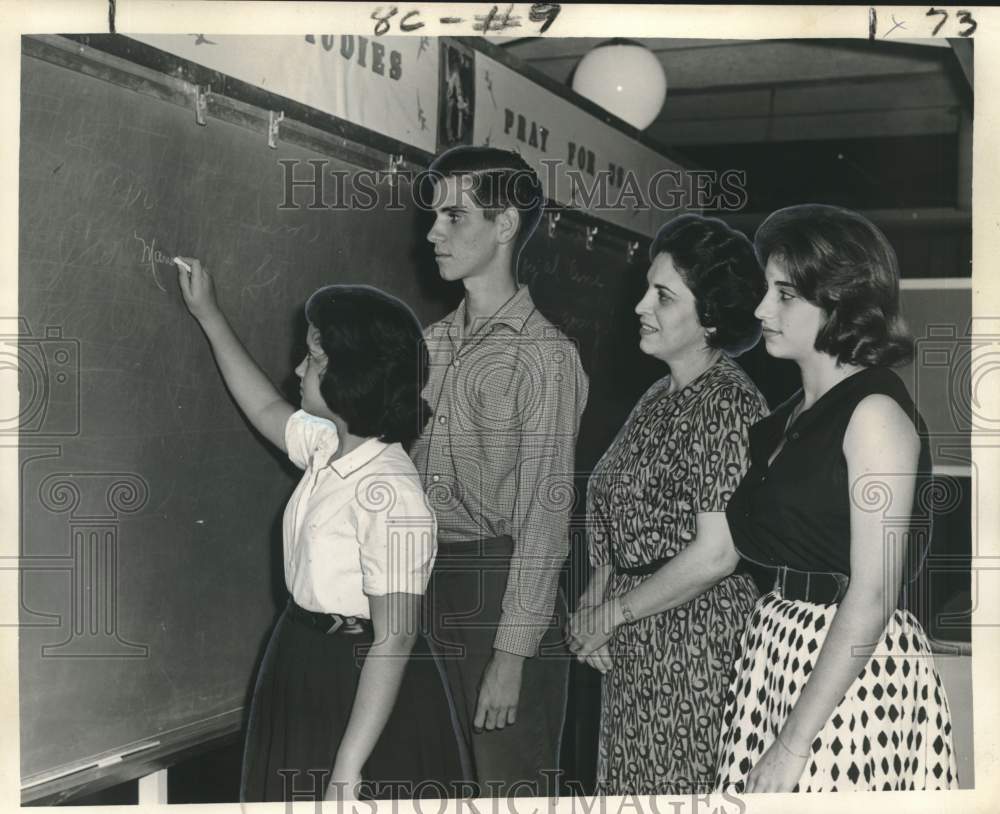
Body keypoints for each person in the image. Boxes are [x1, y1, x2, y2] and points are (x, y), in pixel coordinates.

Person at [173, 258, 464, 802]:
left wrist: (348, 768)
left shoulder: (391, 491)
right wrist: (209, 314)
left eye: (314, 357)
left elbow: (395, 638)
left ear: (353, 376)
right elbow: (263, 405)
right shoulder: (332, 445)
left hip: (358, 683)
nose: (298, 370)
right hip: (301, 658)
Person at [714, 204, 959, 792]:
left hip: (849, 673)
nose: (760, 310)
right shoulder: (787, 421)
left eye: (785, 294)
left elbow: (872, 595)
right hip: (779, 650)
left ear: (840, 303)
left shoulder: (873, 415)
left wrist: (793, 744)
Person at [566, 214, 769, 795]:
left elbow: (716, 554)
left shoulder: (728, 403)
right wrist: (594, 609)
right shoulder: (657, 395)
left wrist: (610, 615)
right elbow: (615, 518)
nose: (640, 306)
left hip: (696, 651)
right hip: (633, 644)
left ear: (709, 317)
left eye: (662, 295)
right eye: (646, 290)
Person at [408, 146, 589, 797]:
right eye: (434, 216)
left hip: (505, 593)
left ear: (505, 224)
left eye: (454, 216)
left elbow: (545, 517)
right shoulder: (429, 345)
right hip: (429, 587)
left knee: (509, 791)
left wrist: (513, 653)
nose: (434, 232)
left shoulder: (547, 358)